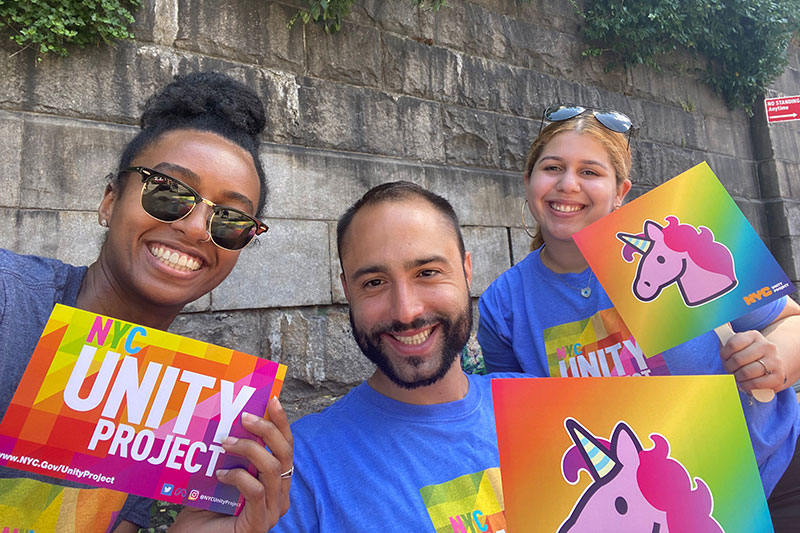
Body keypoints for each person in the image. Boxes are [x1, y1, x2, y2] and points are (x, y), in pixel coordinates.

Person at [477, 104, 800, 528]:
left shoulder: (678, 228)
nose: (567, 184)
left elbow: (790, 320)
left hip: (772, 469)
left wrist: (775, 358)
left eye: (590, 172)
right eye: (552, 167)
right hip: (643, 511)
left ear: (620, 191)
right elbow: (515, 421)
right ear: (528, 182)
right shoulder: (503, 302)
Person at [0, 71, 291, 533]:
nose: (196, 228)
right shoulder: (9, 301)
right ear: (110, 201)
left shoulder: (179, 410)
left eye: (231, 218)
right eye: (169, 191)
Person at [269, 181, 519, 531]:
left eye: (427, 273)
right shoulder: (299, 469)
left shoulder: (542, 404)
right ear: (347, 292)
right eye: (374, 282)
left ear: (466, 271)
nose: (405, 311)